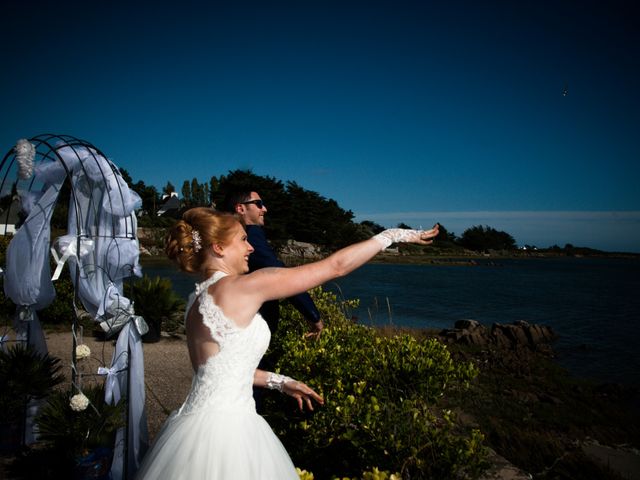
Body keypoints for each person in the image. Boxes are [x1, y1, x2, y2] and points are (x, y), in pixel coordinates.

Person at [135, 207, 438, 479]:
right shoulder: (245, 287)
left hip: (191, 428)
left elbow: (223, 371)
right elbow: (335, 267)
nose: (250, 247)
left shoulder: (194, 303)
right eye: (242, 239)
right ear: (218, 247)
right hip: (231, 433)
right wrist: (392, 235)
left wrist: (282, 382)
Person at [220, 189, 323, 337]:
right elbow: (280, 275)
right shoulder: (251, 236)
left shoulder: (229, 238)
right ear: (240, 208)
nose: (265, 209)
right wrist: (313, 316)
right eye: (259, 204)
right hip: (251, 332)